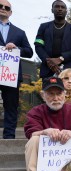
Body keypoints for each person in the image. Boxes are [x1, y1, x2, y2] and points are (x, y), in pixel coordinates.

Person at [0, 0, 33, 139]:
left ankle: (9, 138)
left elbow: (29, 52)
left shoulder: (19, 32)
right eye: (0, 6)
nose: (3, 9)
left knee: (11, 107)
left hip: (10, 75)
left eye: (6, 7)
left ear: (11, 12)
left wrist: (17, 48)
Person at [34, 0, 71, 78]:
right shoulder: (43, 27)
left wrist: (61, 59)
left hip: (68, 72)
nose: (60, 9)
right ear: (52, 10)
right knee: (47, 90)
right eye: (57, 6)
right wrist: (49, 62)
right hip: (47, 70)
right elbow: (38, 46)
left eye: (62, 7)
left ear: (66, 11)